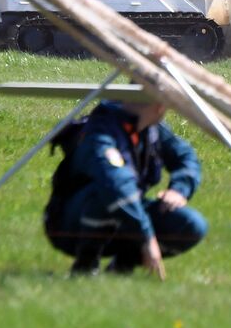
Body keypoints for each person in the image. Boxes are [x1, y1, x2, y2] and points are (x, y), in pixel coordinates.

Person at [45, 98, 208, 278]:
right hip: (69, 226)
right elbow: (116, 186)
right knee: (107, 195)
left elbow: (185, 156)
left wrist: (179, 189)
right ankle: (86, 266)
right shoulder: (101, 129)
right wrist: (147, 238)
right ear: (160, 106)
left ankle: (123, 265)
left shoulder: (151, 127)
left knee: (192, 224)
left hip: (125, 218)